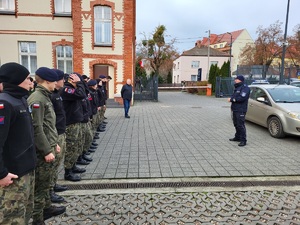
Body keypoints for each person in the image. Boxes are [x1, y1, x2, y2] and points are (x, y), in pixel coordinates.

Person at [27, 67, 66, 224]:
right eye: (55, 81)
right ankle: (37, 219)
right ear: (47, 81)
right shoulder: (38, 99)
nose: (57, 83)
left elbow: (48, 125)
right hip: (43, 152)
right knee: (41, 187)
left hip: (49, 146)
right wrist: (46, 149)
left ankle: (47, 208)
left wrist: (54, 143)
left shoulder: (45, 96)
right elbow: (37, 128)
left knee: (46, 183)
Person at [0, 62, 36, 225]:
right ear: (17, 80)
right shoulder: (5, 103)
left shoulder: (20, 99)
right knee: (12, 218)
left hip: (26, 169)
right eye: (28, 78)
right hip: (13, 174)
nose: (31, 82)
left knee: (25, 213)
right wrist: (1, 174)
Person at [49, 69, 68, 203]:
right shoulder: (49, 96)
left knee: (57, 163)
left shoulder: (57, 93)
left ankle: (53, 185)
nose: (64, 81)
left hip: (60, 130)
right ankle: (49, 190)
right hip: (54, 134)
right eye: (62, 79)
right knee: (52, 164)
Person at [228, 75, 250, 147]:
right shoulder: (237, 87)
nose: (235, 80)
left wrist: (232, 100)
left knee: (240, 125)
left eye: (236, 79)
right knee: (236, 124)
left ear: (240, 80)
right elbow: (234, 96)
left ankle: (243, 140)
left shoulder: (245, 88)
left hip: (241, 109)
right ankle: (237, 137)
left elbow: (242, 98)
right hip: (235, 109)